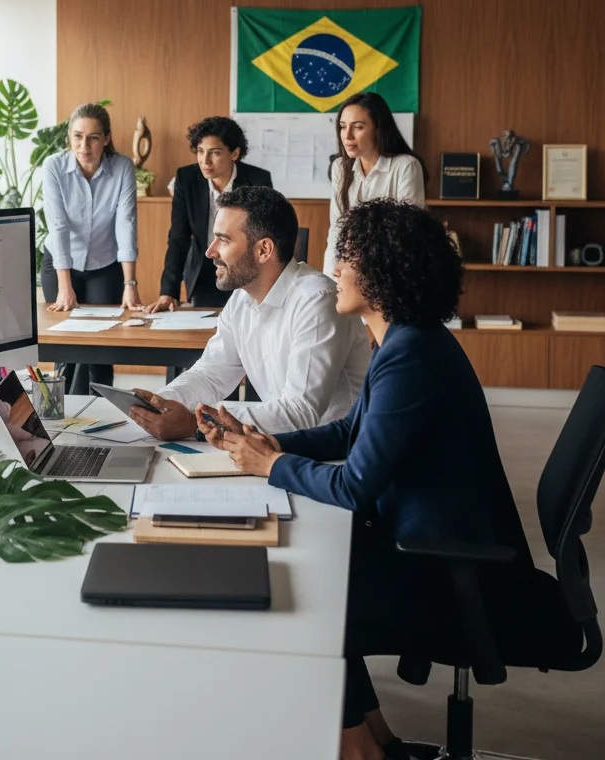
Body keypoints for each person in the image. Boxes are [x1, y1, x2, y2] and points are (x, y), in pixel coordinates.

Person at [200, 200, 543, 760]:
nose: (335, 268)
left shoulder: (411, 357)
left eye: (348, 258)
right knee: (305, 574)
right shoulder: (409, 341)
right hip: (431, 543)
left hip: (450, 570)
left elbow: (355, 486)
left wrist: (269, 467)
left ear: (382, 271)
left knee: (299, 597)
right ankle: (374, 741)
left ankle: (358, 750)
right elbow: (346, 433)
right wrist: (271, 445)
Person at [127, 186, 370, 440]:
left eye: (223, 240)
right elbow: (210, 375)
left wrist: (197, 423)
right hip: (284, 446)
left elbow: (301, 412)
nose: (210, 251)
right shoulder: (242, 299)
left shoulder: (317, 299)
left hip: (338, 455)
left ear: (264, 250)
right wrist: (159, 403)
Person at [42, 102, 138, 391]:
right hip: (60, 263)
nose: (84, 145)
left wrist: (130, 282)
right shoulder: (54, 167)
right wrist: (64, 285)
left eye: (93, 137)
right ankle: (63, 416)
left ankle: (101, 414)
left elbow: (126, 223)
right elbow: (58, 226)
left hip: (103, 264)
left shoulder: (121, 167)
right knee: (65, 347)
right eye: (77, 136)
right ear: (69, 137)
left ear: (106, 139)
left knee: (100, 348)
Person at [146, 115, 272, 313]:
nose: (205, 161)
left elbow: (265, 235)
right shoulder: (186, 179)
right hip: (204, 267)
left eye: (214, 153)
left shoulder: (258, 180)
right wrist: (167, 291)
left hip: (245, 267)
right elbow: (178, 238)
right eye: (200, 151)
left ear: (234, 153)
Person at [323, 91, 426, 278]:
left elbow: (408, 233)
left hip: (392, 271)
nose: (347, 136)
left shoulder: (406, 166)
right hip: (349, 271)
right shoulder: (340, 166)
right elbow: (337, 229)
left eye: (358, 127)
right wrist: (331, 278)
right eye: (343, 127)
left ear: (379, 129)